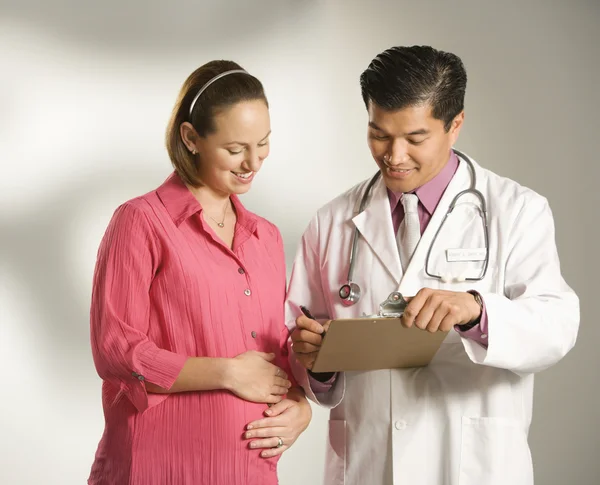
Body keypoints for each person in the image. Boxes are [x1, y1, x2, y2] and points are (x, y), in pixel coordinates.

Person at [286, 45, 579, 485]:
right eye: (379, 134)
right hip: (369, 463)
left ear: (455, 124)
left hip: (471, 465)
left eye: (415, 138)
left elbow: (557, 325)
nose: (394, 155)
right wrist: (315, 362)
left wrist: (478, 311)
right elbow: (298, 341)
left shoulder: (516, 210)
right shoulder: (332, 222)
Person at [88, 60, 311, 485]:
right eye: (235, 149)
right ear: (191, 137)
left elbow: (277, 351)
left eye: (263, 143)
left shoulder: (266, 237)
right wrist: (226, 371)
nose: (253, 162)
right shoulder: (140, 222)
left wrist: (300, 405)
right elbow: (115, 348)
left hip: (248, 469)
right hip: (159, 467)